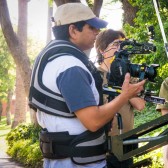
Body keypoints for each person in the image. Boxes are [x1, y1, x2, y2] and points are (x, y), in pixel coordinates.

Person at [28, 3, 145, 168]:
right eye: (92, 27)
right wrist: (124, 95)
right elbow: (93, 120)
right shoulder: (70, 66)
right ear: (73, 30)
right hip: (77, 163)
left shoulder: (56, 59)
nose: (97, 32)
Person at [95, 29, 146, 168]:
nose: (120, 49)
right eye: (116, 44)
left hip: (126, 143)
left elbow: (141, 105)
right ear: (102, 50)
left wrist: (123, 82)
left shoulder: (129, 75)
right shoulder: (94, 76)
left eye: (123, 45)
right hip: (102, 145)